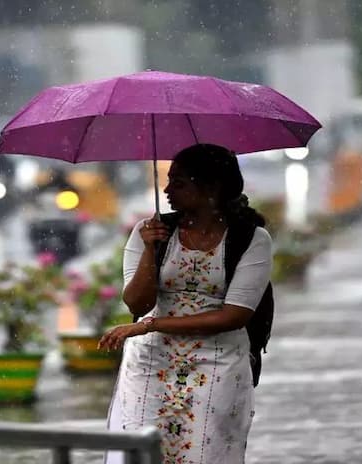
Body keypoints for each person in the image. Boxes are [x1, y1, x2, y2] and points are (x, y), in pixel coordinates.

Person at [100, 144, 273, 464]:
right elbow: (137, 302)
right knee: (142, 454)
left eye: (179, 182)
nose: (167, 189)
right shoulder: (149, 232)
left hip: (216, 365)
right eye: (168, 180)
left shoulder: (251, 239)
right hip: (151, 365)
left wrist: (150, 325)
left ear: (212, 187)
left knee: (204, 455)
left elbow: (234, 316)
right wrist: (151, 249)